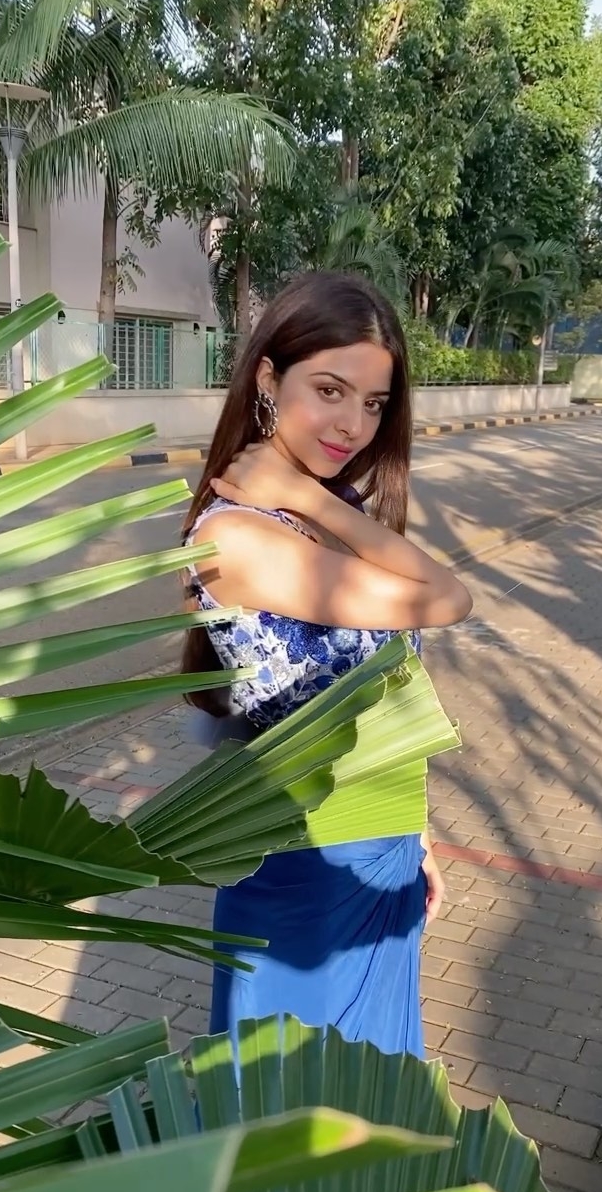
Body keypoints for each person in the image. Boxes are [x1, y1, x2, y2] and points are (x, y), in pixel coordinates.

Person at [181, 271, 472, 1058]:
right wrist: (312, 502)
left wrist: (415, 833)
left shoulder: (325, 508)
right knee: (292, 1101)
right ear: (267, 378)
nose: (354, 424)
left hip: (380, 853)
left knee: (375, 1095)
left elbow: (387, 685)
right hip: (304, 869)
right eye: (330, 390)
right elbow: (447, 597)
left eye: (374, 403)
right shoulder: (237, 535)